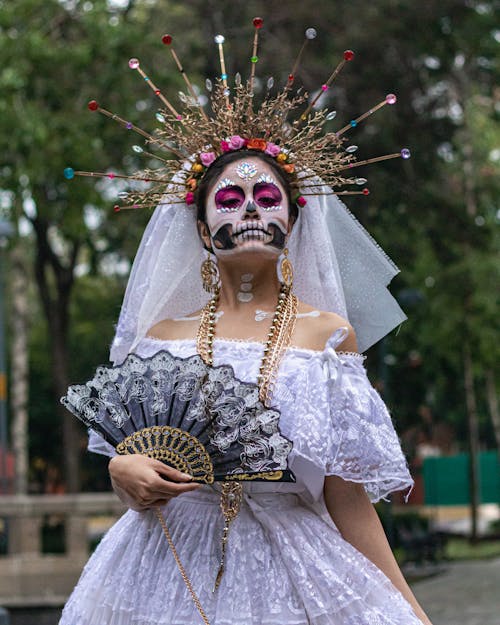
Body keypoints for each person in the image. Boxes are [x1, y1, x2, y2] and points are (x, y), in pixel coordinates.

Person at [59, 26, 433, 624]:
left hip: (294, 565)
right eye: (230, 201)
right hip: (163, 562)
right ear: (204, 230)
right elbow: (131, 474)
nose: (252, 208)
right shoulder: (160, 339)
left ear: (295, 218)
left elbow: (348, 500)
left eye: (267, 195)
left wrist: (411, 612)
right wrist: (123, 471)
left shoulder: (328, 337)